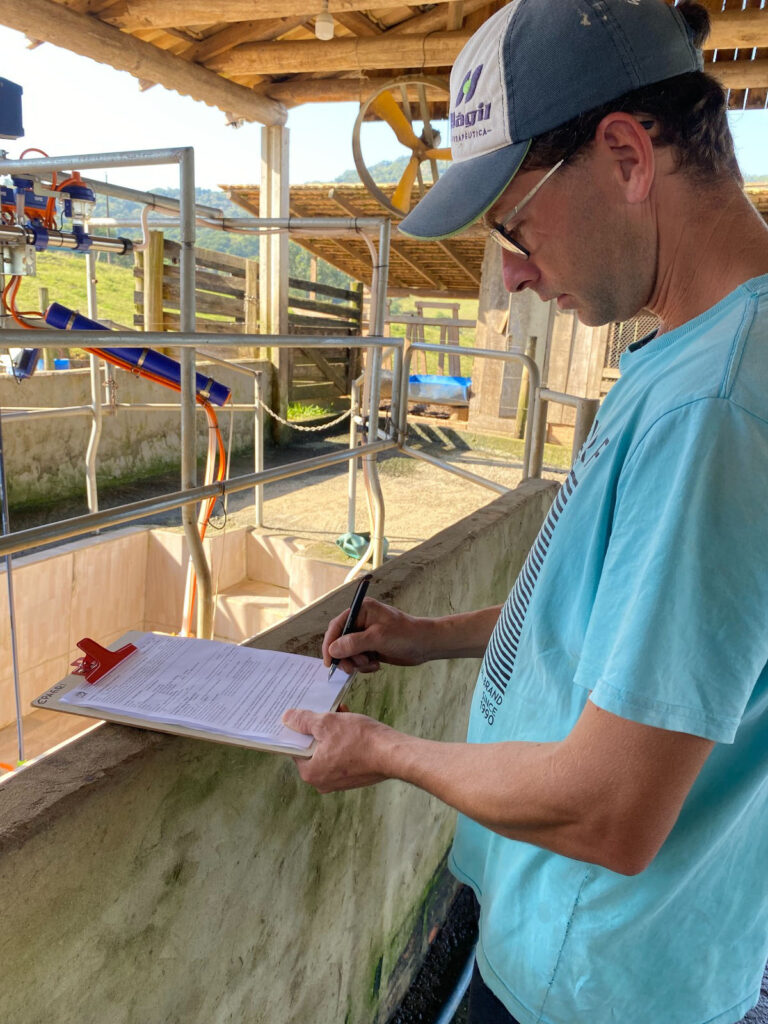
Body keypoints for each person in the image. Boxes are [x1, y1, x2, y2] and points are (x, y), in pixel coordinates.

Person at [282, 1, 768, 1021]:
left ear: (630, 157)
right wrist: (426, 638)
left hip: (597, 980)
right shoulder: (695, 352)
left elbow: (611, 806)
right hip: (613, 950)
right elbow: (618, 637)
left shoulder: (715, 408)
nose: (507, 270)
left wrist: (385, 752)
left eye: (512, 224)